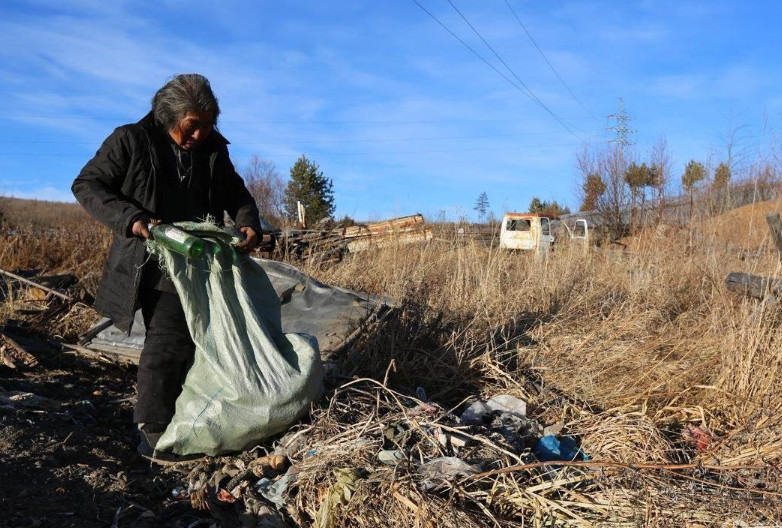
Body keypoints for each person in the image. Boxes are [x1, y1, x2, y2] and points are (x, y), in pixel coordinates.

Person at [72, 74, 262, 455]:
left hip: (201, 262)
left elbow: (236, 192)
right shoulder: (131, 140)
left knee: (198, 340)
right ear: (169, 116)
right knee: (169, 339)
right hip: (152, 260)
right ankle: (152, 430)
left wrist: (247, 221)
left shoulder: (213, 151)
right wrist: (133, 218)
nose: (201, 135)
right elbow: (87, 185)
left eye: (209, 126)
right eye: (193, 127)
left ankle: (184, 416)